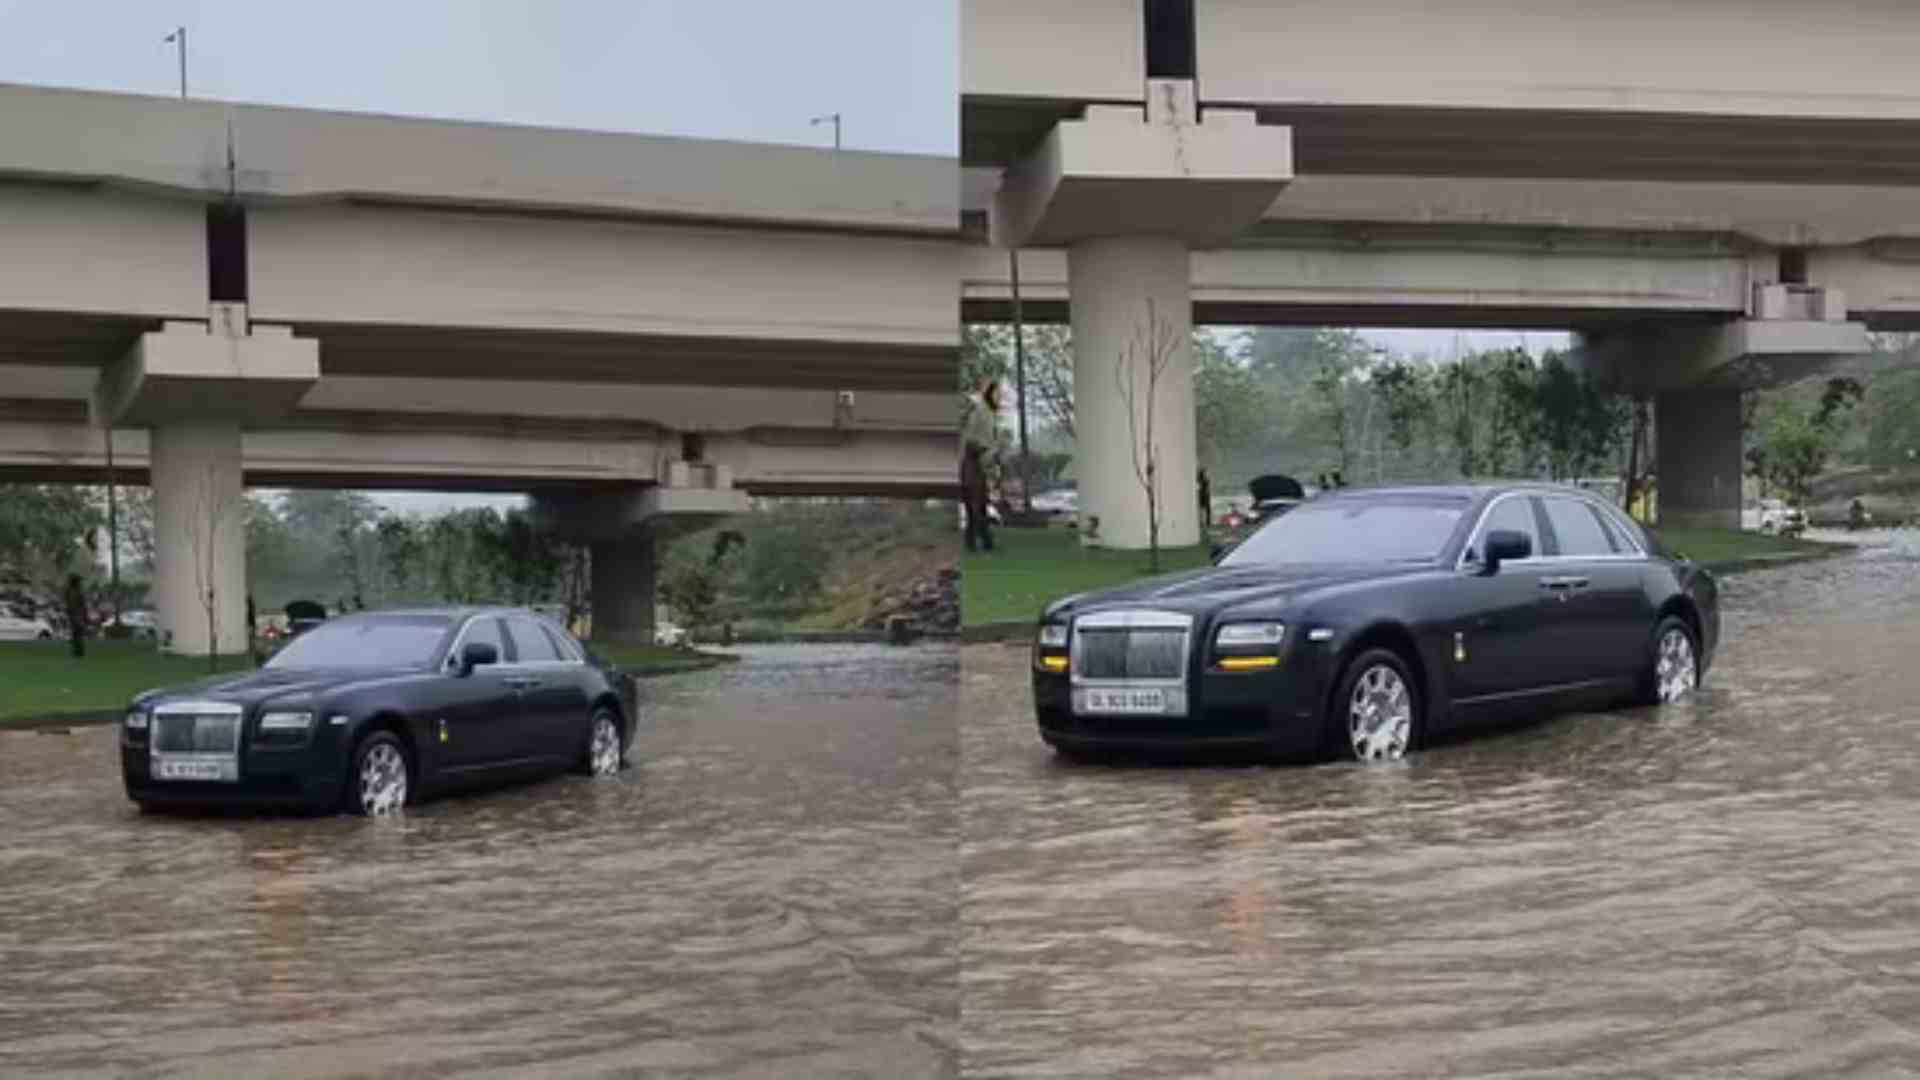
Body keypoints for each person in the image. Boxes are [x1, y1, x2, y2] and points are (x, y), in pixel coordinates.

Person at [960, 379, 1001, 553]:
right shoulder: (981, 412)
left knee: (976, 505)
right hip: (975, 460)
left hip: (980, 460)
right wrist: (985, 454)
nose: (1000, 398)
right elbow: (972, 439)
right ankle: (983, 540)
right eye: (998, 393)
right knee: (977, 505)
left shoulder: (987, 412)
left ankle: (976, 541)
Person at [62, 573, 87, 659]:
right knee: (78, 633)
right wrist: (84, 615)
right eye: (79, 582)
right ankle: (79, 652)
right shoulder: (76, 592)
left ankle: (77, 651)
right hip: (77, 615)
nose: (80, 583)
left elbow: (68, 604)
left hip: (74, 615)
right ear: (76, 583)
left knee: (76, 633)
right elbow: (82, 605)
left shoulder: (69, 591)